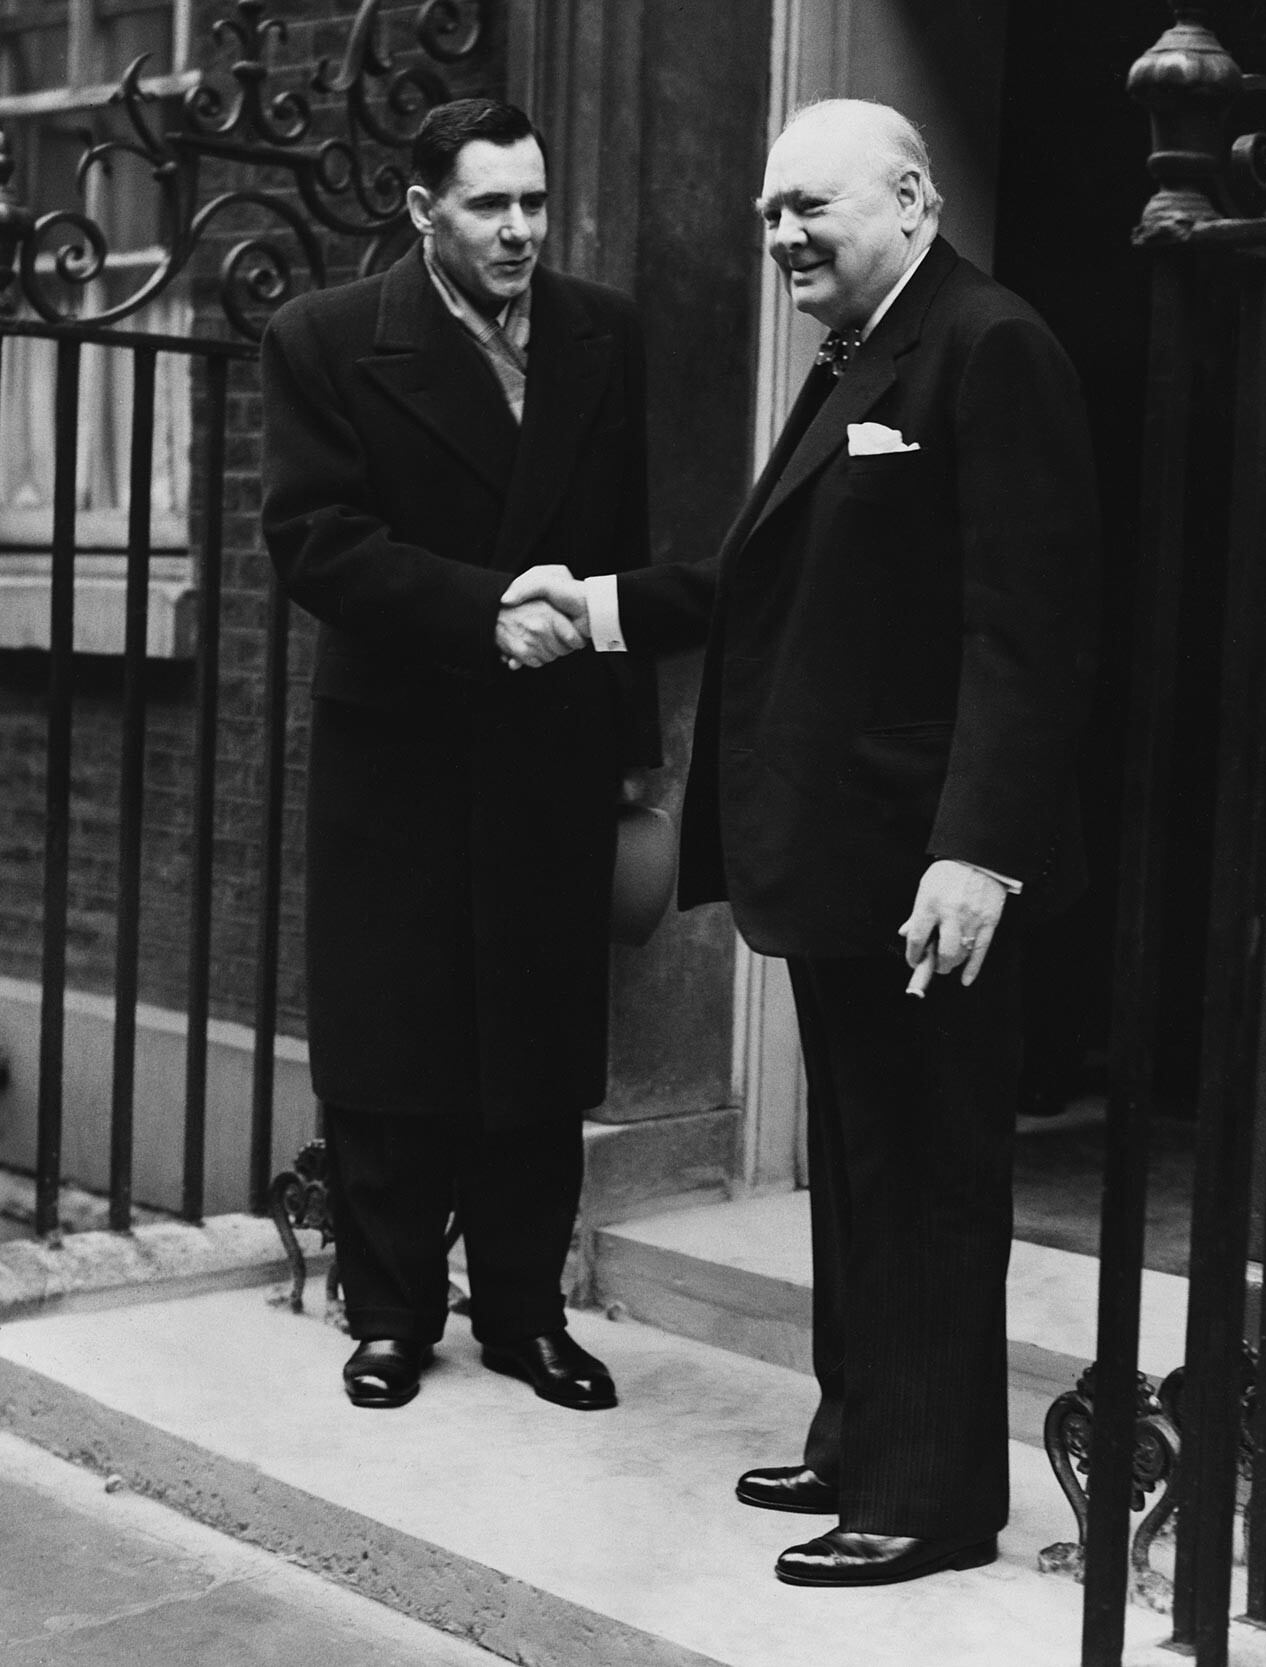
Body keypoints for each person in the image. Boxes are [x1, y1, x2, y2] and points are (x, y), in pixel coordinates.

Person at [503, 99, 1099, 1584]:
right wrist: (602, 606)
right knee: (860, 1158)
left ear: (911, 197)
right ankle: (860, 1439)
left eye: (806, 207)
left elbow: (1032, 634)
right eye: (766, 211)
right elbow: (761, 577)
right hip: (841, 861)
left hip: (924, 865)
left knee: (929, 1176)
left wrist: (980, 852)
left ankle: (934, 1497)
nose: (778, 235)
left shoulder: (989, 343)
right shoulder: (860, 353)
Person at [259, 98, 659, 1413]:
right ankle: (389, 1317)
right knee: (395, 1047)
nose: (520, 230)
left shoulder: (605, 333)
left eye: (535, 202)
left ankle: (529, 1316)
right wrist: (481, 608)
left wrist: (635, 758)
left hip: (554, 745)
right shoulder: (325, 339)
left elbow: (625, 551)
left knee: (538, 1049)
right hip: (405, 749)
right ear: (421, 207)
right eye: (490, 204)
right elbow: (315, 540)